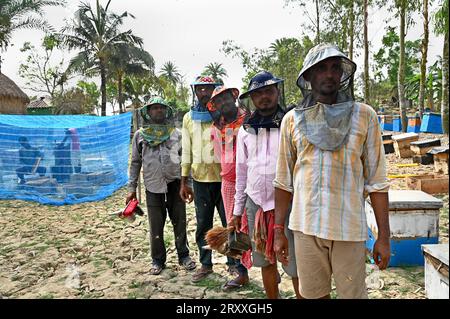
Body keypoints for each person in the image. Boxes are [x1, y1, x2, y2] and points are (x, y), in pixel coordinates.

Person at [273, 43, 390, 299]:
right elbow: (283, 182)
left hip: (348, 227)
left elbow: (377, 182)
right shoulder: (291, 120)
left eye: (335, 68)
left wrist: (384, 236)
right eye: (321, 68)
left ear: (342, 74)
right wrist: (278, 232)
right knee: (313, 295)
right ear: (308, 76)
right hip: (306, 226)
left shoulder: (365, 116)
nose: (329, 74)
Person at [232, 71, 300, 299]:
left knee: (295, 264)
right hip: (256, 204)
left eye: (268, 91)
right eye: (258, 93)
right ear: (251, 98)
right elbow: (242, 172)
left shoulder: (291, 123)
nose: (264, 97)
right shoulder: (245, 130)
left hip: (289, 204)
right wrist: (236, 212)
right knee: (265, 262)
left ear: (277, 92)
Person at [127, 96, 196, 276]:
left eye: (161, 108)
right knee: (156, 226)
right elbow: (135, 162)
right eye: (154, 108)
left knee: (179, 222)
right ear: (148, 112)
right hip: (152, 186)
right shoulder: (140, 135)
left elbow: (185, 161)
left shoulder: (177, 134)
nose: (158, 111)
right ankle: (158, 260)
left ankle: (184, 256)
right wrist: (131, 189)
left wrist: (187, 184)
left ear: (166, 111)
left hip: (175, 185)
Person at [180, 75, 234, 283]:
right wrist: (184, 181)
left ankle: (234, 264)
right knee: (203, 224)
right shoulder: (188, 118)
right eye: (200, 89)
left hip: (225, 180)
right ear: (195, 91)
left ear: (214, 90)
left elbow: (231, 147)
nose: (204, 92)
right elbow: (186, 150)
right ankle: (206, 264)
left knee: (229, 224)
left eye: (208, 89)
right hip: (200, 180)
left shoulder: (224, 116)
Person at [206, 85, 251, 290]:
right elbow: (219, 156)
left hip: (253, 180)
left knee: (261, 224)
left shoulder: (250, 120)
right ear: (214, 106)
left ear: (233, 98)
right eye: (218, 101)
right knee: (233, 226)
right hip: (230, 182)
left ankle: (271, 270)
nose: (223, 103)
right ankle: (241, 272)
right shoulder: (215, 128)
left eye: (226, 98)